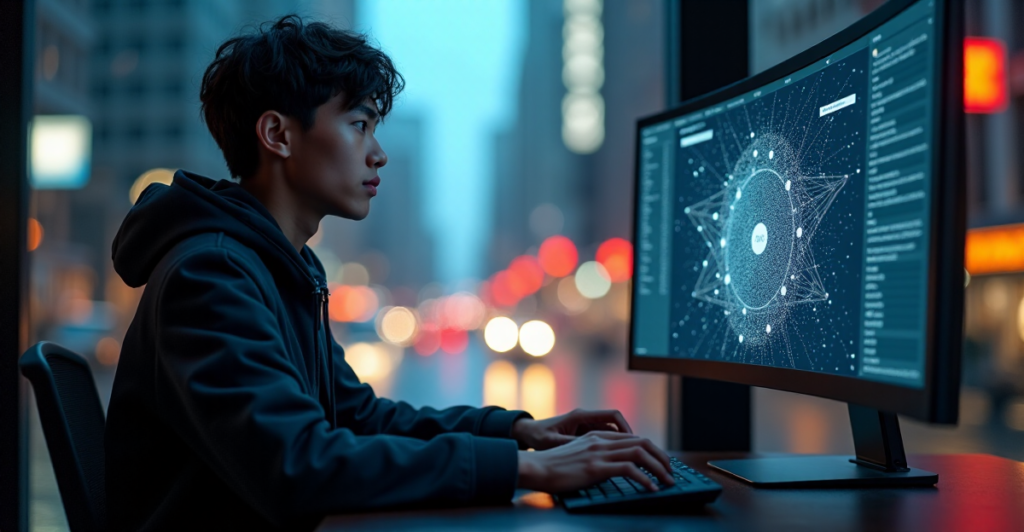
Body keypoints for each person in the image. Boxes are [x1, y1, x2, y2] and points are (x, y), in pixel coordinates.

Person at [105, 15, 674, 532]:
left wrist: (520, 432)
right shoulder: (212, 273)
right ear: (278, 135)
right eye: (359, 124)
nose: (378, 153)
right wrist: (530, 469)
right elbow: (298, 464)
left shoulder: (280, 267)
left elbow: (358, 416)